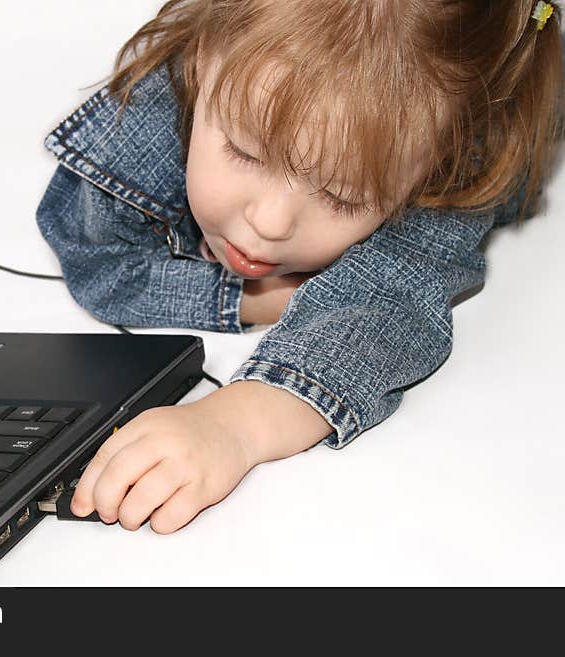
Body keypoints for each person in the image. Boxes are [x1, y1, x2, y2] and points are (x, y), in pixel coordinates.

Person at [35, 0, 564, 533]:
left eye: (340, 196)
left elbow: (392, 303)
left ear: (434, 165)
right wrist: (258, 297)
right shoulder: (173, 86)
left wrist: (235, 423)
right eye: (244, 151)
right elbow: (99, 261)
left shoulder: (457, 153)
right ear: (202, 62)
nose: (268, 222)